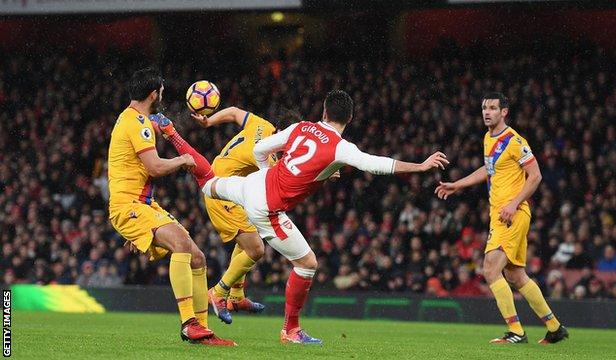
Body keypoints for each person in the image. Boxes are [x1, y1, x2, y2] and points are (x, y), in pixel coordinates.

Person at [154, 90, 448, 344]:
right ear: (349, 119)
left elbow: (260, 149)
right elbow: (376, 165)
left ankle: (171, 133)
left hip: (250, 185)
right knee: (307, 264)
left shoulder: (301, 127)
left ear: (323, 110)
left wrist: (267, 172)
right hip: (266, 208)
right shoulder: (339, 147)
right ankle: (290, 330)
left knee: (207, 182)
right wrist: (420, 167)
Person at [107, 67, 234, 346]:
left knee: (197, 257)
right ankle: (189, 324)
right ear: (154, 93)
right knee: (179, 243)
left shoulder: (131, 119)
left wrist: (166, 130)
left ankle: (202, 330)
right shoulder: (137, 123)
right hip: (130, 205)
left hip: (142, 205)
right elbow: (154, 166)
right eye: (161, 91)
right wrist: (182, 160)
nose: (162, 95)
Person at [435, 92, 568, 344]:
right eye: (485, 107)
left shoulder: (515, 141)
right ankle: (554, 327)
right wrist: (458, 185)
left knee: (490, 268)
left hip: (511, 214)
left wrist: (514, 203)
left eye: (493, 108)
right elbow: (489, 168)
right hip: (501, 213)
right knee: (516, 276)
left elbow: (536, 176)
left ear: (504, 112)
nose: (487, 112)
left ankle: (516, 331)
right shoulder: (489, 138)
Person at [156, 106, 297, 324]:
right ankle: (219, 292)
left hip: (229, 186)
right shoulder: (266, 156)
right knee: (257, 249)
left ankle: (237, 296)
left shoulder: (262, 125)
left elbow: (233, 112)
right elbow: (279, 186)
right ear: (280, 134)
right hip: (221, 191)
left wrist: (208, 122)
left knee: (249, 237)